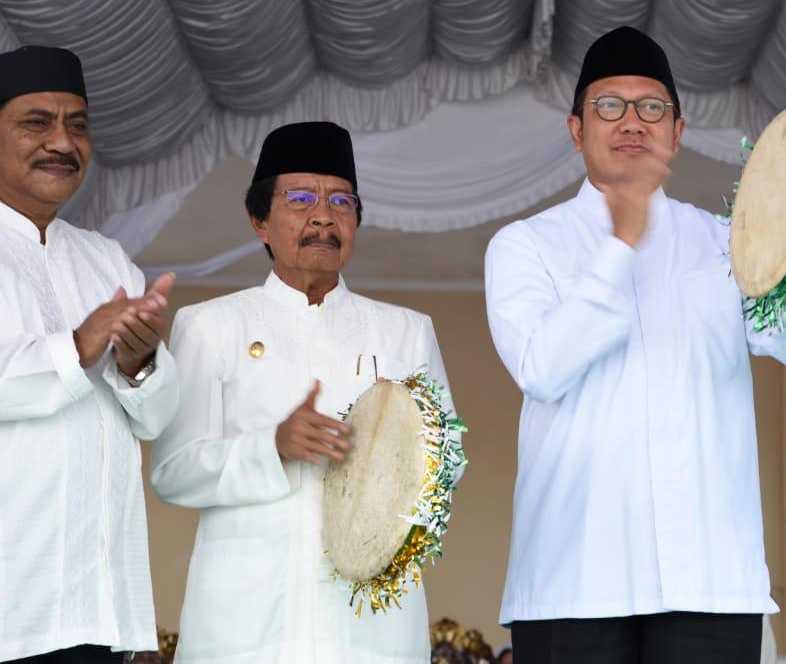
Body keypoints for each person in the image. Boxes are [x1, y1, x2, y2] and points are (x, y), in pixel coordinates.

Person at [484, 26, 786, 664]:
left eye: (651, 107)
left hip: (709, 581)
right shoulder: (525, 245)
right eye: (610, 105)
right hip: (574, 581)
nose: (632, 121)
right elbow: (541, 368)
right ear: (577, 130)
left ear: (677, 132)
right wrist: (620, 244)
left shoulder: (725, 241)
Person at [151, 121, 460, 663]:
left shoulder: (406, 330)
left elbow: (447, 467)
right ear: (259, 221)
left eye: (342, 201)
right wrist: (273, 446)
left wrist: (386, 461)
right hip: (247, 622)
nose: (323, 215)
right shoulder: (210, 326)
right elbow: (173, 472)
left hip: (370, 623)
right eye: (299, 198)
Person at [0, 45, 178, 663]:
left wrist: (137, 364)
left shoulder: (107, 260)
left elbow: (155, 418)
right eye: (36, 122)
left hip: (100, 605)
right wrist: (77, 347)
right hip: (12, 607)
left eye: (77, 124)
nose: (62, 141)